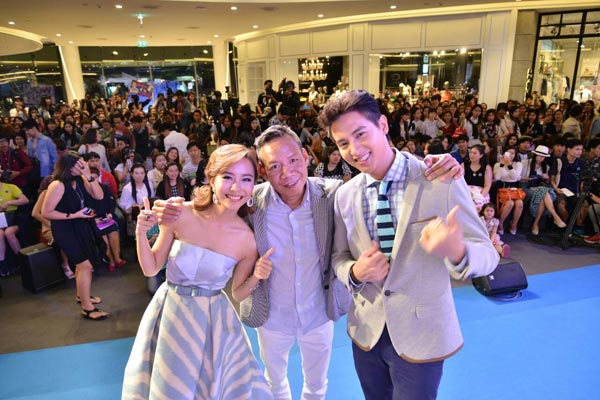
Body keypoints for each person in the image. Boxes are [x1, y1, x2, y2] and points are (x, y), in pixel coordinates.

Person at [153, 123, 462, 399]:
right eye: (274, 166)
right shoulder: (251, 201)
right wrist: (175, 210)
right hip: (272, 316)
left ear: (305, 156)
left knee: (317, 386)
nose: (286, 173)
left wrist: (431, 163)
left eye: (292, 160)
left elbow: (377, 175)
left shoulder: (333, 193)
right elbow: (216, 208)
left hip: (318, 313)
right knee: (275, 384)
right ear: (263, 171)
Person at [319, 90, 498, 400]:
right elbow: (339, 256)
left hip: (422, 333)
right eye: (343, 143)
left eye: (360, 134)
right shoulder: (345, 195)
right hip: (367, 331)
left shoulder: (439, 177)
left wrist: (457, 250)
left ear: (383, 125)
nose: (354, 150)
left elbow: (489, 255)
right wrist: (356, 272)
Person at [122, 144, 273, 399]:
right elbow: (151, 268)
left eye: (246, 179)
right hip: (170, 312)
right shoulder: (181, 213)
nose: (237, 187)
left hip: (213, 322)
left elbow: (237, 294)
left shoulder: (248, 240)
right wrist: (141, 231)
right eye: (228, 177)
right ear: (211, 178)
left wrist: (257, 276)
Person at [41, 151, 108, 320]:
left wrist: (89, 176)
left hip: (81, 226)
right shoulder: (57, 185)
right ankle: (87, 308)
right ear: (70, 166)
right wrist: (73, 215)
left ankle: (81, 295)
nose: (84, 166)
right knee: (86, 266)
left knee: (81, 265)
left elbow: (99, 196)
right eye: (80, 164)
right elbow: (46, 212)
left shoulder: (80, 179)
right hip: (65, 230)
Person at [0, 169, 29, 277]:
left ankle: (22, 262)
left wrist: (9, 202)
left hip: (12, 217)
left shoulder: (11, 187)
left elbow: (25, 200)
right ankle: (3, 265)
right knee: (0, 234)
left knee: (9, 232)